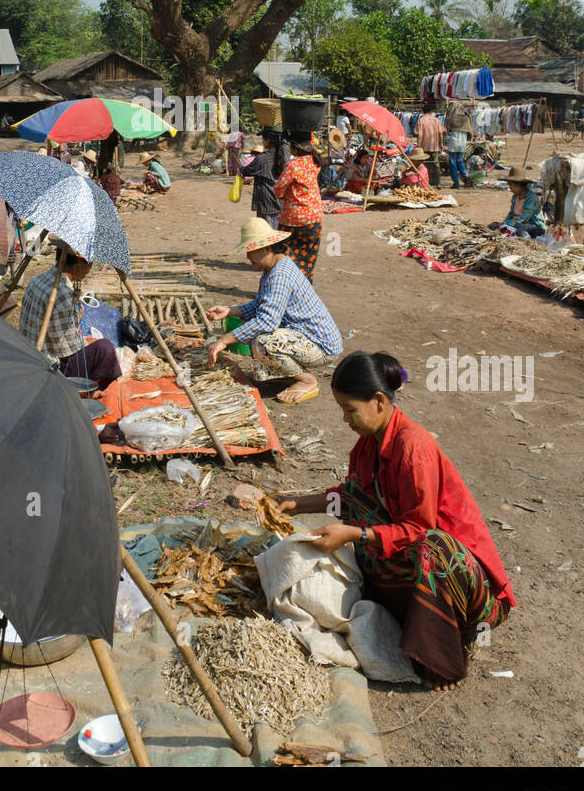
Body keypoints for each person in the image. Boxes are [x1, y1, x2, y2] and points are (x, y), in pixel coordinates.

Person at [278, 351, 516, 690]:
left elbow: (420, 528)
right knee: (359, 500)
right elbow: (350, 497)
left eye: (350, 409)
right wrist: (296, 504)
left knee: (433, 549)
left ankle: (444, 654)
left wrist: (353, 534)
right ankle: (404, 612)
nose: (346, 419)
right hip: (414, 557)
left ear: (378, 401)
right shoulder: (367, 446)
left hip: (465, 584)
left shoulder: (412, 447)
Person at [205, 217, 343, 404]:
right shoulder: (272, 268)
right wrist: (229, 311)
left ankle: (306, 380)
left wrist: (224, 340)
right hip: (305, 338)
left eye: (250, 251)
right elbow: (260, 304)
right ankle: (290, 374)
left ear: (266, 248)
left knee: (262, 341)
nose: (247, 257)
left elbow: (266, 321)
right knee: (254, 331)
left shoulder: (280, 274)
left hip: (320, 345)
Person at [19, 247, 122, 388]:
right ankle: (86, 392)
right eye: (89, 264)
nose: (89, 269)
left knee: (93, 343)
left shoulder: (38, 279)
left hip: (29, 353)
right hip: (49, 366)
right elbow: (65, 351)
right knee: (105, 348)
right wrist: (87, 343)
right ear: (78, 264)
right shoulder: (61, 294)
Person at [274, 134, 323, 282]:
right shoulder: (315, 162)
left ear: (296, 148)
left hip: (293, 220)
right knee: (308, 258)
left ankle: (285, 288)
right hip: (314, 218)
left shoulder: (293, 165)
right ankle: (304, 291)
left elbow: (279, 188)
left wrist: (283, 195)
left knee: (284, 257)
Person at [489, 167, 546, 238]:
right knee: (493, 225)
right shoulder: (515, 197)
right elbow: (511, 213)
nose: (510, 188)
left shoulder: (532, 199)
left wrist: (506, 224)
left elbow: (524, 218)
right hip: (516, 223)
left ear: (519, 185)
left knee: (520, 230)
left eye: (511, 185)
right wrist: (504, 223)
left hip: (532, 226)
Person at [239, 141, 281, 227]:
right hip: (281, 200)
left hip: (267, 200)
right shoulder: (284, 155)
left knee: (267, 231)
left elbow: (247, 171)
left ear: (267, 141)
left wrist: (238, 165)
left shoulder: (263, 158)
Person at [443, 102, 472, 189]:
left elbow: (446, 130)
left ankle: (456, 183)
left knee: (453, 163)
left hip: (453, 142)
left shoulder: (451, 118)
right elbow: (470, 131)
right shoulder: (466, 118)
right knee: (460, 161)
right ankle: (466, 178)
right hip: (463, 143)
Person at [414, 102, 444, 177]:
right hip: (434, 146)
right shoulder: (436, 120)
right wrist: (441, 144)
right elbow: (441, 133)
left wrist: (419, 146)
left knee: (424, 164)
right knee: (435, 164)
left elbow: (420, 134)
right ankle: (437, 183)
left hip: (424, 147)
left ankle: (425, 180)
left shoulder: (421, 120)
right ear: (431, 111)